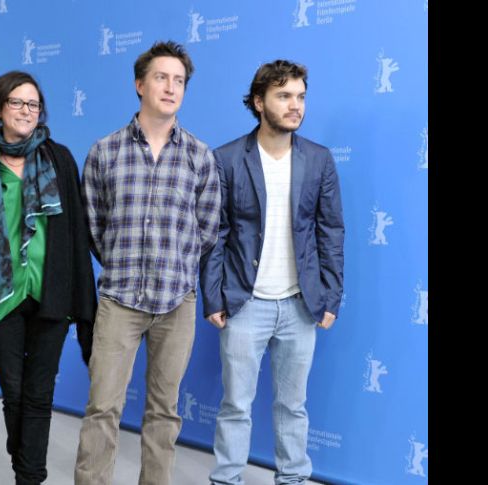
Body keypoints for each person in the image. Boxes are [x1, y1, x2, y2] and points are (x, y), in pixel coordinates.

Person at [75, 40, 221, 485]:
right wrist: (126, 262)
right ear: (140, 85)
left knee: (164, 411)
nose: (171, 87)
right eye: (161, 78)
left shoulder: (200, 156)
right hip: (119, 299)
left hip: (177, 303)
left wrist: (173, 265)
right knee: (103, 406)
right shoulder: (105, 152)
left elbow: (206, 230)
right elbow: (94, 225)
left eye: (179, 81)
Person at [199, 59, 344, 485]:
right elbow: (215, 234)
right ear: (259, 102)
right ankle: (226, 480)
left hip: (301, 304)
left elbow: (331, 231)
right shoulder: (226, 159)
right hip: (244, 303)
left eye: (300, 96)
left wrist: (330, 296)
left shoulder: (319, 159)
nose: (295, 105)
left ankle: (293, 479)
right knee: (235, 405)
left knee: (292, 406)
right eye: (284, 96)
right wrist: (213, 297)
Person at [0, 70, 96, 485]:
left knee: (39, 395)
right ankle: (26, 464)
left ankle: (29, 476)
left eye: (33, 104)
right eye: (16, 102)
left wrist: (80, 298)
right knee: (14, 393)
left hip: (49, 293)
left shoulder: (59, 158)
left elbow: (75, 233)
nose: (25, 111)